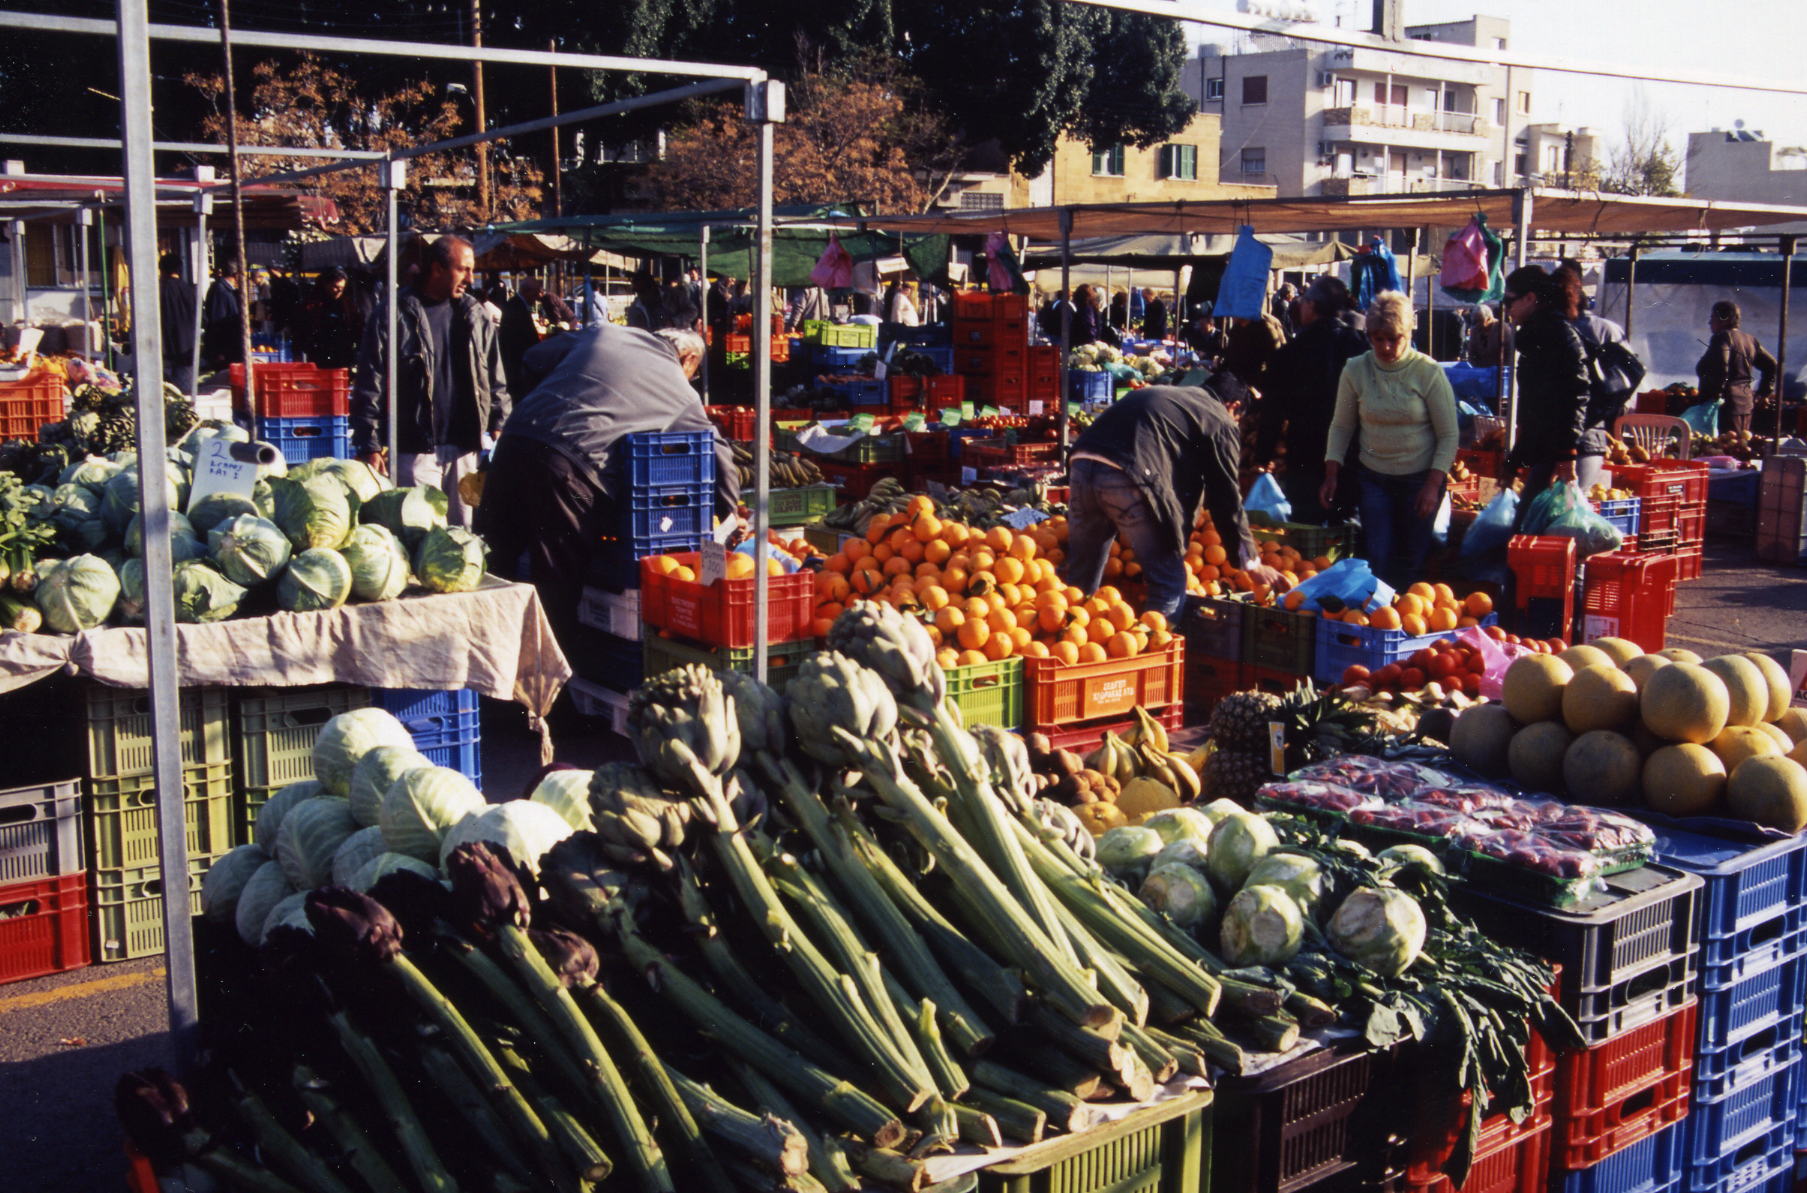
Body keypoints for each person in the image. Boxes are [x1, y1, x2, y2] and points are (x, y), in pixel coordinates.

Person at [477, 324, 737, 648]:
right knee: (555, 585)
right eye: (694, 372)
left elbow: (533, 358)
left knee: (491, 564)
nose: (692, 379)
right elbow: (716, 454)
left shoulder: (607, 332)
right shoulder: (680, 391)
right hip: (568, 465)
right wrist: (730, 514)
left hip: (515, 440)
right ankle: (545, 690)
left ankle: (484, 678)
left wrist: (551, 402)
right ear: (689, 358)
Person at [1064, 382, 1286, 625]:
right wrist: (1251, 563)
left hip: (1081, 461)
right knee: (1168, 581)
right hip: (1127, 470)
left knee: (1080, 578)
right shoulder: (1219, 418)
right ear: (1233, 407)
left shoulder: (1177, 399)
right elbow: (1226, 495)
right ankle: (1153, 647)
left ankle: (1067, 641)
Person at [349, 235, 509, 528]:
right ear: (436, 268)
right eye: (463, 269)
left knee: (462, 537)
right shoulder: (394, 313)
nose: (470, 279)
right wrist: (369, 443)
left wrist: (499, 422)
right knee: (419, 536)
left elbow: (494, 376)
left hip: (465, 449)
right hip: (416, 449)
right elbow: (371, 380)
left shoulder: (474, 314)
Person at [1320, 291, 1458, 588]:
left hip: (1419, 480)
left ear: (1407, 334)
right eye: (1377, 338)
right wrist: (1332, 471)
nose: (1384, 346)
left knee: (1412, 560)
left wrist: (1433, 485)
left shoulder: (1428, 372)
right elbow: (1341, 425)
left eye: (1392, 338)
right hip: (1374, 478)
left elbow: (1448, 434)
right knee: (1378, 557)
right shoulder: (1355, 369)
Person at [1257, 276, 1370, 525]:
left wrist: (1263, 454)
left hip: (1305, 452)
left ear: (1311, 305)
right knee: (1347, 525)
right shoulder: (1361, 346)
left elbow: (1273, 410)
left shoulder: (1292, 352)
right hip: (1351, 453)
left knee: (1306, 526)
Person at [1498, 265, 1590, 527]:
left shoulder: (1557, 333)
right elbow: (1535, 409)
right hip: (1550, 448)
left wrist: (1568, 453)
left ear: (1530, 298)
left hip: (1563, 450)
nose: (1507, 309)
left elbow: (1576, 393)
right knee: (1541, 529)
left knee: (1551, 531)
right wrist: (1513, 463)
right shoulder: (1537, 334)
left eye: (1509, 301)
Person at [1554, 265, 1636, 491]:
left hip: (1568, 429)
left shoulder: (1559, 331)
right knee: (1584, 493)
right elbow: (1629, 372)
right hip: (1598, 423)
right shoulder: (1609, 329)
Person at [1697, 300, 1778, 438]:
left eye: (1712, 318)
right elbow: (1771, 365)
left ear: (1724, 318)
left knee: (1724, 446)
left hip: (1727, 405)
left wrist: (1714, 394)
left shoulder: (1722, 337)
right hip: (1746, 403)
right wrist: (1764, 392)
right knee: (1739, 445)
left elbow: (1722, 366)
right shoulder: (1749, 340)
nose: (1710, 322)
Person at [298, 268, 358, 369]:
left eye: (342, 288)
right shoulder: (313, 304)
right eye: (335, 287)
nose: (339, 291)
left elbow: (355, 325)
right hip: (319, 353)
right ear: (326, 284)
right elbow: (303, 328)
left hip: (343, 353)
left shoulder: (347, 304)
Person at [157, 253, 196, 393]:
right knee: (184, 393)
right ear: (180, 269)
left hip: (163, 347)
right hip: (187, 347)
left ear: (161, 269)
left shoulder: (157, 290)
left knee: (164, 391)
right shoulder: (189, 290)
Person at [201, 264, 245, 372]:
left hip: (230, 347)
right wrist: (220, 351)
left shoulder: (227, 290)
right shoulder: (220, 291)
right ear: (236, 275)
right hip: (225, 349)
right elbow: (218, 322)